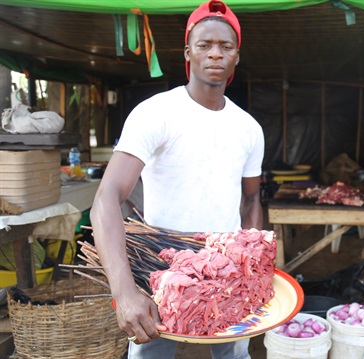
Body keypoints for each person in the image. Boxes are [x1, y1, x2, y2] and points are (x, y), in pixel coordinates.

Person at [90, 1, 264, 358]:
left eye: (225, 46)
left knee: (233, 352)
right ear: (188, 52)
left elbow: (250, 202)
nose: (215, 54)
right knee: (151, 351)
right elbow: (107, 196)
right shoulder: (156, 113)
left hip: (226, 268)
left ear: (237, 56)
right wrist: (124, 290)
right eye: (204, 45)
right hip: (161, 266)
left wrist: (252, 264)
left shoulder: (249, 128)